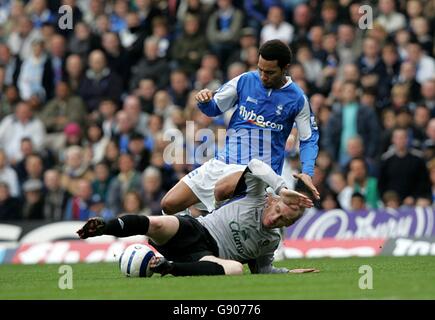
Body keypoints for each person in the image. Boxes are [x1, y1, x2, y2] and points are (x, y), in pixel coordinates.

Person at [77, 159, 317, 276]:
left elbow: (263, 271)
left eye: (284, 221)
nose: (276, 220)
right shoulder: (256, 196)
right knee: (159, 221)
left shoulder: (271, 240)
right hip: (198, 229)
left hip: (206, 258)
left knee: (235, 270)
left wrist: (288, 274)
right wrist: (281, 186)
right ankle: (103, 226)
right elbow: (255, 165)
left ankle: (167, 268)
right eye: (278, 212)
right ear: (274, 200)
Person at [161, 39, 320, 215]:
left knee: (221, 191)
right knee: (169, 205)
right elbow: (214, 108)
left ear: (285, 68)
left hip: (258, 173)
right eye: (260, 70)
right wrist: (205, 101)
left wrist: (307, 170)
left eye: (270, 72)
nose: (263, 76)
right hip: (223, 161)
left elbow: (308, 138)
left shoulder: (297, 99)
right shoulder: (245, 80)